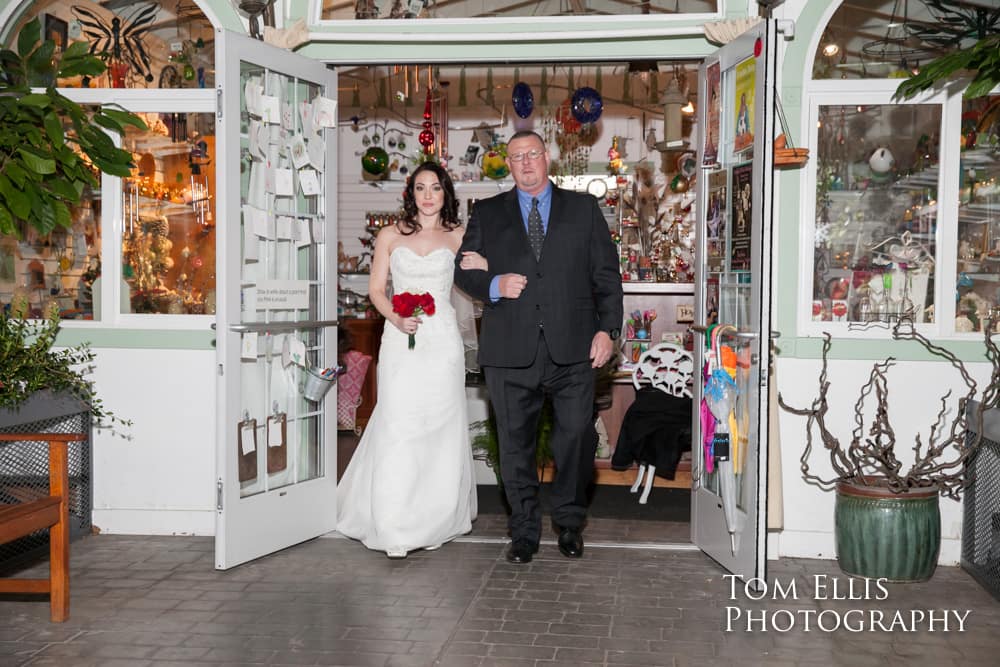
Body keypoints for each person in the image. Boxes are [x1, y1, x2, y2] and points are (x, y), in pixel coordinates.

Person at [454, 130, 624, 564]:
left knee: (575, 441)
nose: (526, 163)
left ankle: (569, 523)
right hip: (510, 350)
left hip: (574, 349)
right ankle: (524, 532)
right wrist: (494, 282)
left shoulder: (583, 209)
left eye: (532, 154)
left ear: (547, 157)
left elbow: (606, 277)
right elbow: (462, 269)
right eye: (516, 157)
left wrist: (608, 331)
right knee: (514, 446)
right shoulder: (488, 213)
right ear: (507, 165)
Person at [337, 162, 486, 559]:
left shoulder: (459, 236)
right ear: (411, 194)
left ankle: (435, 516)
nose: (427, 195)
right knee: (400, 422)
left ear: (445, 194)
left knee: (440, 423)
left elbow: (478, 280)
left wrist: (487, 268)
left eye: (435, 188)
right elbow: (375, 289)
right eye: (420, 188)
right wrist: (396, 317)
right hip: (400, 338)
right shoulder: (390, 235)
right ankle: (394, 519)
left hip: (442, 343)